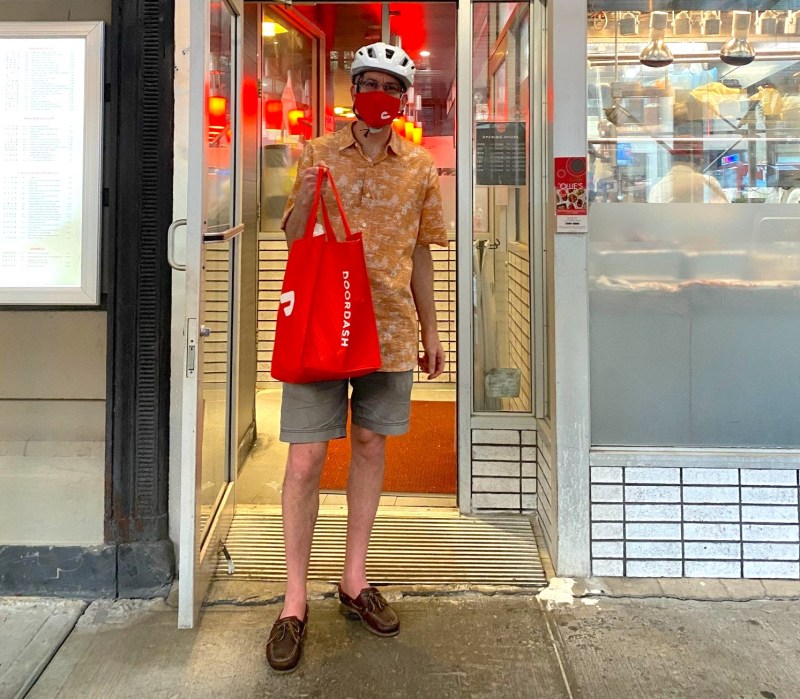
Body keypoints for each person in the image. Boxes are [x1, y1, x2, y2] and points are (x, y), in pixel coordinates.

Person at [266, 42, 448, 673]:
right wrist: (310, 194)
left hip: (391, 331)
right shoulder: (316, 153)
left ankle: (353, 579)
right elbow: (292, 240)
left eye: (390, 86)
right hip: (321, 327)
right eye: (368, 83)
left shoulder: (422, 166)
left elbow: (423, 254)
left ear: (403, 99)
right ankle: (293, 601)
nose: (379, 94)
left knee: (372, 444)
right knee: (306, 455)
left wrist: (432, 329)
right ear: (352, 91)